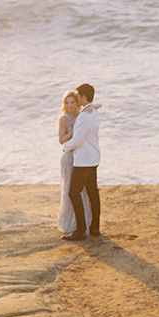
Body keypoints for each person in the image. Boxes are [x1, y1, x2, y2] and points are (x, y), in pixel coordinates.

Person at [61, 83, 101, 241]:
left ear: (84, 97)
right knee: (92, 191)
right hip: (94, 157)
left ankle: (81, 230)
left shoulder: (85, 115)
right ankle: (95, 228)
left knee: (73, 192)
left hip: (83, 160)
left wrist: (66, 146)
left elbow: (77, 140)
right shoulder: (94, 112)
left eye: (78, 95)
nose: (77, 98)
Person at [56, 90, 92, 234]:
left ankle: (84, 222)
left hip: (79, 155)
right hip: (68, 155)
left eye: (72, 102)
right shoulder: (63, 119)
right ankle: (71, 223)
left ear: (77, 103)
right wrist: (74, 130)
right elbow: (61, 140)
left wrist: (93, 105)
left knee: (81, 190)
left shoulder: (81, 114)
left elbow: (91, 107)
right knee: (70, 189)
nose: (70, 105)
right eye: (67, 103)